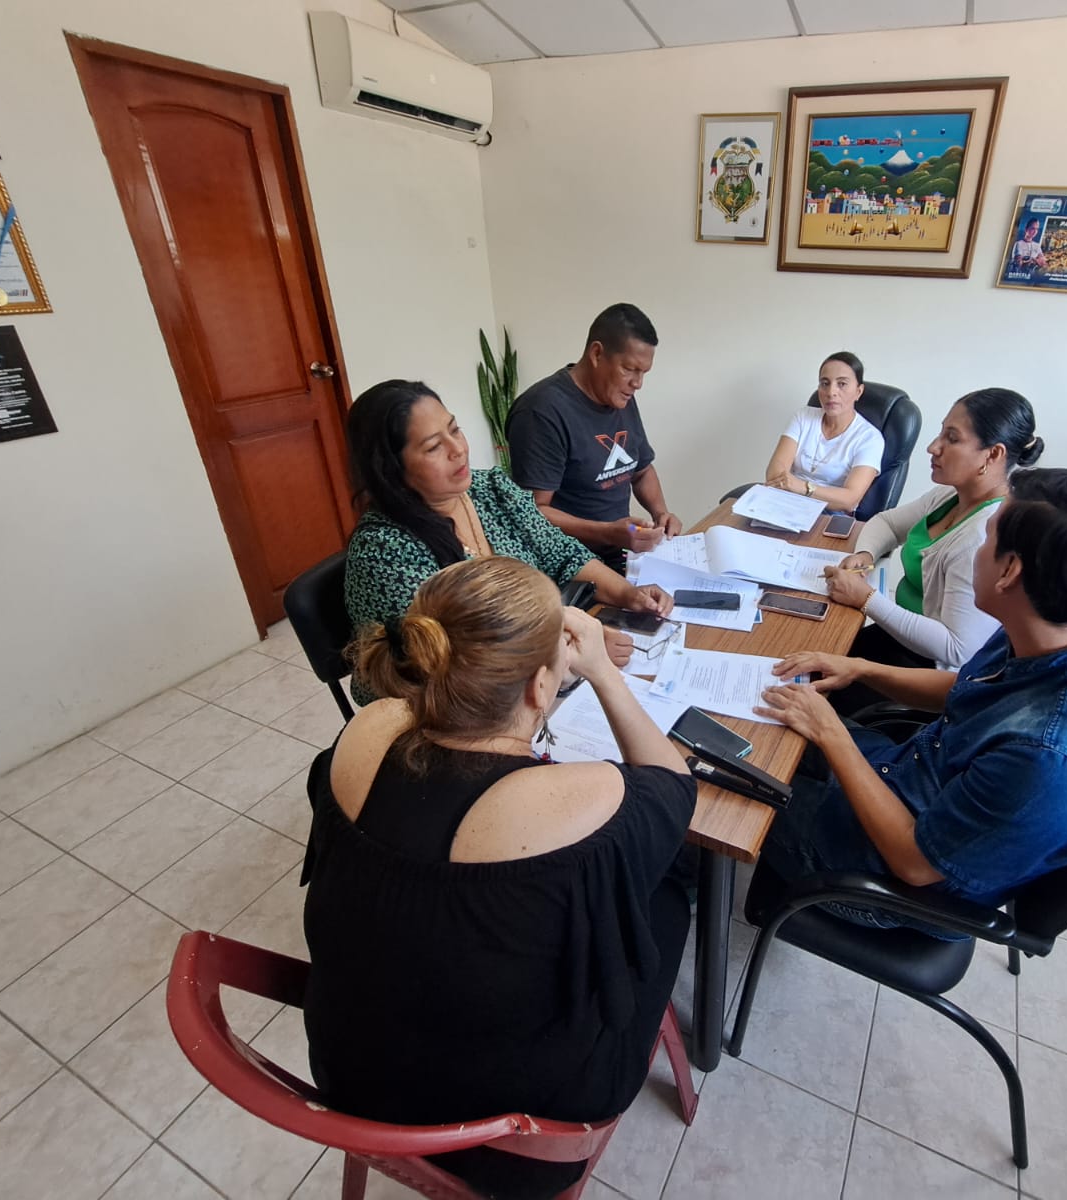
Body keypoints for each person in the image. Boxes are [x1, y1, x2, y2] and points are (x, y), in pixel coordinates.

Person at [303, 557, 695, 1199]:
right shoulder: (588, 798)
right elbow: (674, 789)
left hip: (349, 1080)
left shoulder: (365, 731)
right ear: (541, 687)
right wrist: (601, 670)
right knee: (670, 902)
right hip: (510, 1143)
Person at [754, 468, 1067, 925]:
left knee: (718, 787)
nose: (976, 548)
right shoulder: (1063, 631)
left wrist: (831, 733)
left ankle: (696, 873)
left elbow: (913, 863)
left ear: (1010, 572)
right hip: (907, 773)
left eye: (986, 537)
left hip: (885, 880)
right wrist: (861, 668)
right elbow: (972, 688)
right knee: (756, 729)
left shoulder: (1045, 760)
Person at [343, 379, 670, 705]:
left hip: (535, 676)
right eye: (433, 447)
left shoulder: (491, 490)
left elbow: (561, 553)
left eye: (454, 430)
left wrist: (628, 594)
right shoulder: (384, 551)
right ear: (391, 469)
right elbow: (444, 662)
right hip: (449, 706)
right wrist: (566, 651)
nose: (458, 449)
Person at [821, 388, 1043, 711]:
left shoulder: (983, 536)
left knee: (808, 689)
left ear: (993, 454)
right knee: (814, 647)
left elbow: (957, 648)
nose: (933, 447)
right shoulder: (952, 496)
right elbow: (887, 523)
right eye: (941, 433)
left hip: (930, 673)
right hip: (898, 638)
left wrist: (867, 599)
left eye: (952, 438)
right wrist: (865, 554)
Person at [508, 303, 681, 573]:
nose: (638, 383)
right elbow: (532, 513)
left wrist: (660, 514)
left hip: (618, 553)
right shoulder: (540, 412)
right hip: (567, 565)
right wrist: (608, 532)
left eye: (643, 373)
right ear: (597, 354)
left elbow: (642, 471)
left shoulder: (620, 396)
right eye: (629, 369)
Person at [762, 351, 885, 513]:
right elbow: (774, 472)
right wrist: (793, 488)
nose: (831, 392)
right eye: (825, 383)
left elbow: (849, 500)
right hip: (785, 500)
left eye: (842, 384)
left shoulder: (870, 438)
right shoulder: (803, 416)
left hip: (829, 512)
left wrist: (801, 487)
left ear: (858, 391)